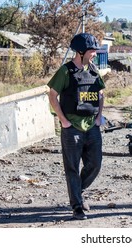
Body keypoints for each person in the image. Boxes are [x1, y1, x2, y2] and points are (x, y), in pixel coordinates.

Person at [47, 33, 105, 220]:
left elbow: (101, 94)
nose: (95, 54)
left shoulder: (94, 70)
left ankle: (77, 192)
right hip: (72, 128)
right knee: (72, 167)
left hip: (92, 127)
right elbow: (52, 95)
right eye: (92, 51)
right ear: (80, 52)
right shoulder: (66, 71)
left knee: (95, 163)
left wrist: (99, 117)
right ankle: (77, 206)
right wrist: (63, 120)